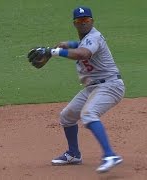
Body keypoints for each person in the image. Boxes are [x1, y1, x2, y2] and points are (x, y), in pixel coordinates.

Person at [48, 6, 125, 173]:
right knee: (67, 116)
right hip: (94, 87)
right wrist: (66, 44)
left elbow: (83, 53)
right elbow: (80, 44)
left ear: (92, 22)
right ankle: (74, 154)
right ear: (74, 24)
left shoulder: (94, 37)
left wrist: (55, 51)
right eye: (79, 21)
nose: (83, 24)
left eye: (86, 21)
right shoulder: (86, 39)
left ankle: (110, 155)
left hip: (110, 86)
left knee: (88, 114)